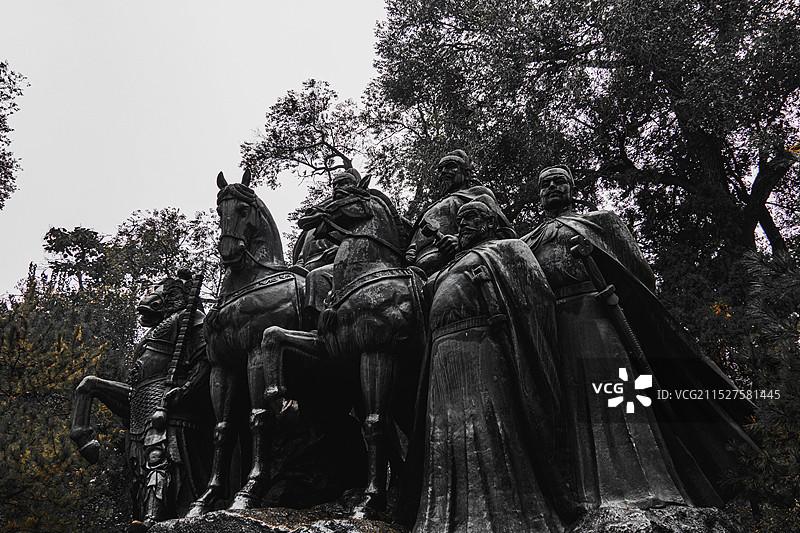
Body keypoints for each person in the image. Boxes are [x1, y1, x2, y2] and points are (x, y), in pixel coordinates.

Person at [523, 165, 757, 512]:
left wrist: (611, 283)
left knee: (619, 394)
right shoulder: (529, 241)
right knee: (569, 406)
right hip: (554, 329)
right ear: (538, 195)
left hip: (597, 312)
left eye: (559, 181)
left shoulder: (599, 222)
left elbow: (640, 273)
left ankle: (647, 485)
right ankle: (584, 496)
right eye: (545, 185)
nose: (552, 188)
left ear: (573, 188)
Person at [413, 194, 569, 532]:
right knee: (444, 434)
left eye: (473, 218)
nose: (465, 224)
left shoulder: (507, 250)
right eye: (462, 220)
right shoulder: (450, 264)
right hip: (442, 354)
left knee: (489, 424)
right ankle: (443, 519)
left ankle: (510, 515)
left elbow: (536, 297)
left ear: (490, 224)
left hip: (482, 346)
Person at [406, 150, 508, 276]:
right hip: (416, 272)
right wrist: (412, 248)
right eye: (441, 169)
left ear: (467, 173)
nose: (443, 171)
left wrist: (460, 240)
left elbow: (504, 233)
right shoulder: (431, 207)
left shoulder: (479, 195)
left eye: (451, 167)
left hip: (456, 266)